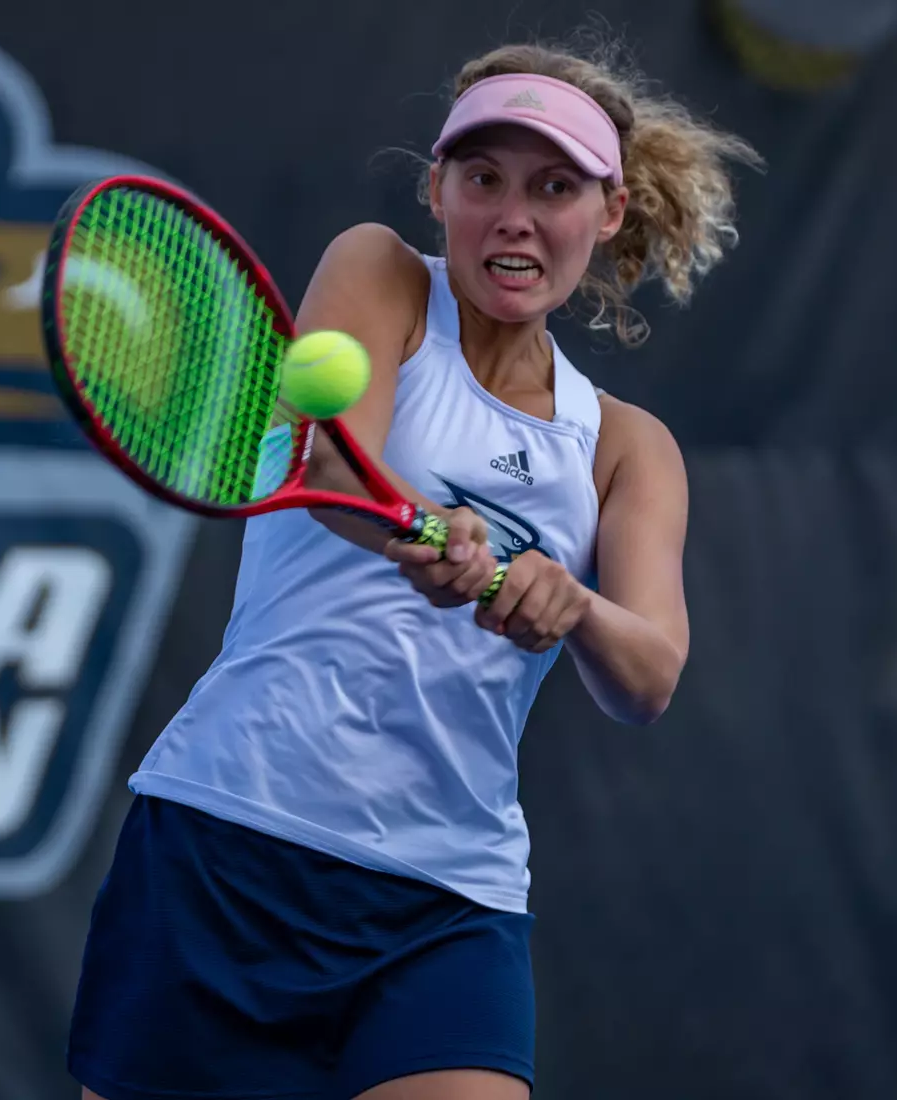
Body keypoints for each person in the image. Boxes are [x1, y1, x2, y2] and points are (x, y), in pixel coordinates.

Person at [67, 33, 760, 1100]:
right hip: (232, 838)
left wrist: (571, 603)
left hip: (448, 896)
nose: (514, 215)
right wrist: (442, 536)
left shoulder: (629, 446)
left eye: (554, 186)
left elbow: (648, 675)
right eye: (483, 179)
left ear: (610, 211)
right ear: (438, 189)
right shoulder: (377, 271)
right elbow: (333, 465)